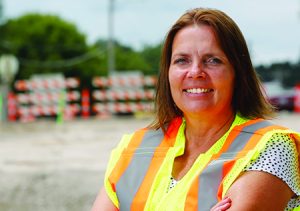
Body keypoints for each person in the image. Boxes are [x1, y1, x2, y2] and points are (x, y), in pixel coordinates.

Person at [92, 8, 300, 211]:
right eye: (182, 60)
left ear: (238, 73)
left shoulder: (271, 147)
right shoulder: (135, 147)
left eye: (212, 60)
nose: (195, 72)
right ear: (168, 73)